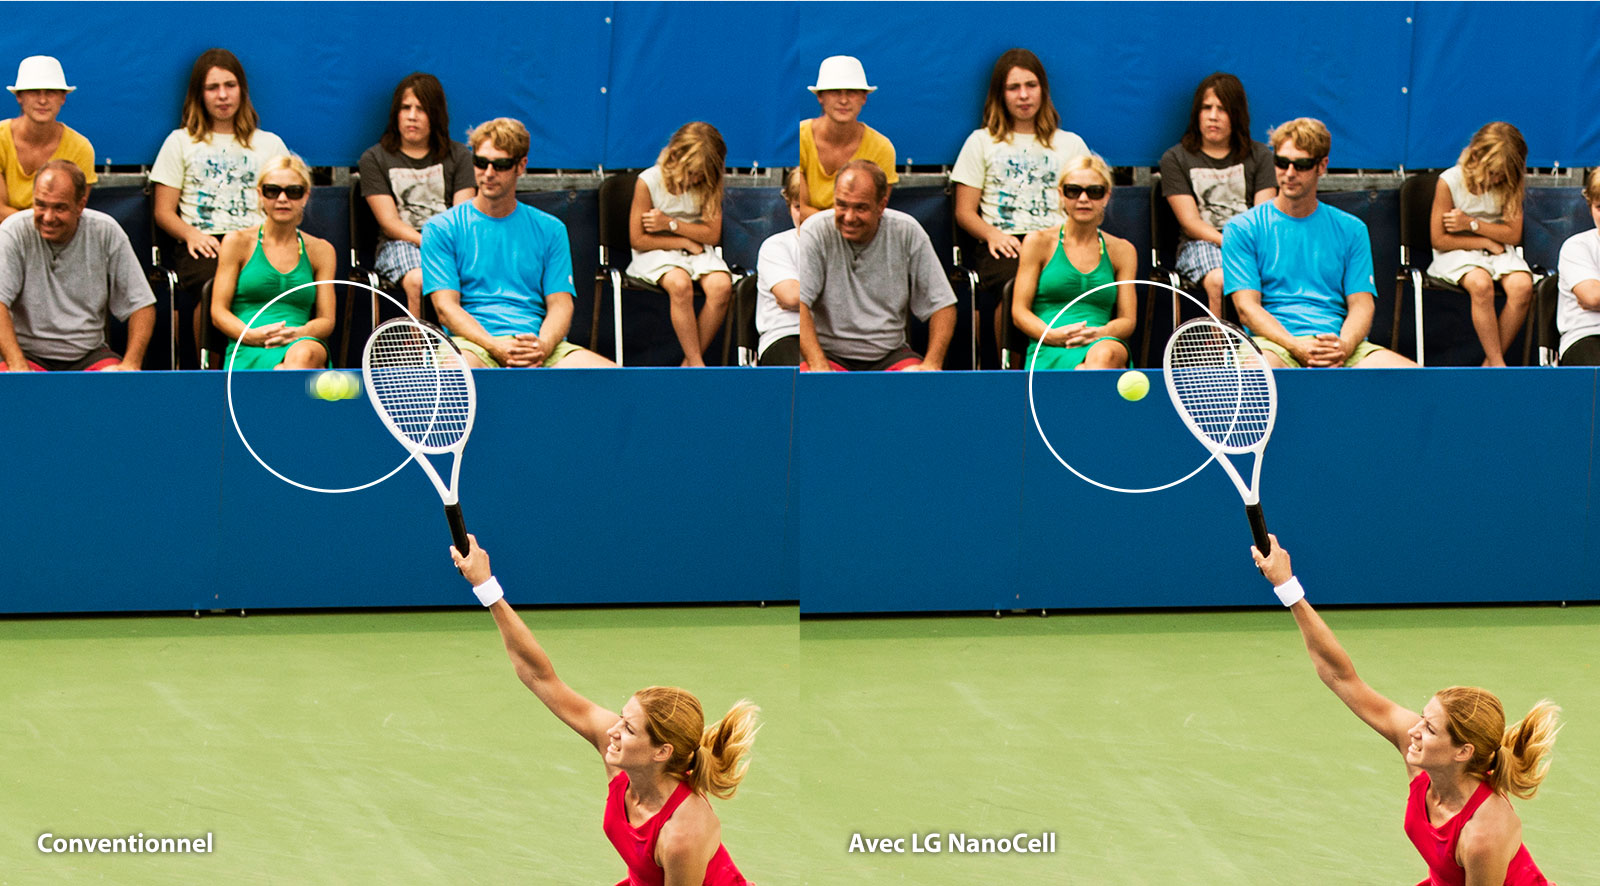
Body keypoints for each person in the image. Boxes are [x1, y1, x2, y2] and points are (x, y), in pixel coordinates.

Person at [450, 534, 758, 886]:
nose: (612, 730)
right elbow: (540, 677)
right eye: (622, 719)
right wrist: (486, 587)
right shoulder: (618, 756)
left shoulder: (683, 834)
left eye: (628, 728)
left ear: (662, 751)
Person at [1252, 535, 1561, 885]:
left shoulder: (1484, 834)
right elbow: (1342, 678)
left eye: (1430, 729)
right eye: (1423, 718)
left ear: (1464, 751)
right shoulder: (1420, 756)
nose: (1414, 730)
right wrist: (1287, 587)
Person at [1222, 118, 1415, 368]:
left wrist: (1343, 347)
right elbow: (1247, 308)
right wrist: (1295, 346)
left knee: (1412, 378)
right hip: (1273, 344)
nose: (1289, 173)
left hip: (1339, 345)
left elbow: (1362, 305)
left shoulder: (1352, 229)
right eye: (1282, 163)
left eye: (1301, 165)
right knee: (1258, 372)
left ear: (1322, 166)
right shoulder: (1241, 228)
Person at [421, 117, 612, 368]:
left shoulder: (551, 229)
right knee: (457, 372)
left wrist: (542, 347)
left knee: (610, 377)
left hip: (537, 345)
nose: (488, 173)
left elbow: (561, 305)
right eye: (481, 162)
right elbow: (446, 308)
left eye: (500, 165)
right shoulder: (440, 228)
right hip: (471, 344)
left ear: (521, 166)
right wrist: (494, 346)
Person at [150, 48, 290, 366]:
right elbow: (163, 211)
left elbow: (289, 201)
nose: (222, 95)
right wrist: (191, 235)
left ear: (242, 90)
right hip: (205, 243)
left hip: (260, 241)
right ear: (199, 95)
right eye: (213, 88)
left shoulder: (269, 144)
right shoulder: (180, 142)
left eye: (230, 85)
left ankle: (275, 366)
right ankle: (214, 373)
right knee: (214, 288)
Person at [951, 48, 1090, 360]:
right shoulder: (981, 142)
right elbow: (964, 211)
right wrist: (992, 235)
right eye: (1014, 88)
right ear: (1000, 94)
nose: (1023, 95)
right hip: (1006, 243)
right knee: (1015, 288)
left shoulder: (1070, 144)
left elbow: (1088, 202)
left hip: (1059, 241)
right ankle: (1014, 372)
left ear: (1043, 90)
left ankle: (1074, 365)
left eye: (1031, 86)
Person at [797, 160, 956, 372]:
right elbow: (800, 304)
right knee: (811, 384)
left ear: (881, 205)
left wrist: (932, 364)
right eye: (841, 205)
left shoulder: (907, 231)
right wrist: (819, 365)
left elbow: (943, 306)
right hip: (829, 354)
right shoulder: (815, 230)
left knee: (921, 389)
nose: (849, 217)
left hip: (891, 354)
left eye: (860, 208)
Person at [0, 161, 153, 371]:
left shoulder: (106, 231)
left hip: (89, 354)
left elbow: (142, 306)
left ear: (80, 205)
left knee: (119, 388)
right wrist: (17, 365)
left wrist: (131, 363)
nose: (48, 217)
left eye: (59, 208)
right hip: (27, 354)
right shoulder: (13, 231)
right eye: (40, 204)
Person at [1159, 72, 1276, 317]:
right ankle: (1218, 348)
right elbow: (1191, 224)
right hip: (1200, 243)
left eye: (1222, 109)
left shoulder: (1261, 156)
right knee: (1219, 278)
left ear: (1236, 115)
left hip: (1252, 243)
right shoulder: (1176, 158)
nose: (1213, 116)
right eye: (1206, 108)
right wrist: (1230, 243)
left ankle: (1261, 342)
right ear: (1197, 114)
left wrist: (1246, 246)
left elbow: (1264, 216)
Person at [359, 72, 475, 318]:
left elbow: (462, 216)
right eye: (405, 108)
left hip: (451, 243)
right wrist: (429, 243)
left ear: (435, 115)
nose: (412, 116)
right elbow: (390, 224)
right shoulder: (374, 158)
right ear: (396, 114)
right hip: (399, 244)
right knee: (418, 278)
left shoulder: (460, 156)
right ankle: (418, 347)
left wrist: (445, 246)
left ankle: (462, 341)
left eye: (421, 109)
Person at [1010, 155, 1137, 370]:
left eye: (1094, 192)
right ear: (1061, 194)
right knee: (1082, 370)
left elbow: (1128, 320)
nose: (1084, 199)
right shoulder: (1037, 242)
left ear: (1106, 196)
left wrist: (1101, 333)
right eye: (1073, 191)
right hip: (1049, 343)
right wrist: (1051, 336)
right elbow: (1019, 311)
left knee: (1104, 354)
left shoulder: (1123, 250)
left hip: (1102, 342)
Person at [209, 155, 334, 370]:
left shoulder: (322, 250)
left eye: (293, 192)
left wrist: (299, 333)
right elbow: (218, 312)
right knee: (282, 370)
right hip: (248, 343)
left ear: (305, 196)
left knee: (303, 355)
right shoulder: (236, 242)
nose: (283, 199)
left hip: (301, 342)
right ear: (260, 195)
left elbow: (327, 319)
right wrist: (250, 336)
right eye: (272, 191)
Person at [626, 121, 733, 367]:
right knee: (679, 282)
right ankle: (697, 364)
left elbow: (711, 234)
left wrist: (671, 223)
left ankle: (688, 363)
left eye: (701, 175)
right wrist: (683, 239)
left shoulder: (708, 182)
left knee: (721, 286)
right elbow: (638, 239)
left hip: (695, 251)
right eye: (692, 173)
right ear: (674, 156)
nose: (695, 179)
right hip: (655, 251)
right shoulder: (648, 181)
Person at [1427, 122, 1533, 367]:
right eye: (1493, 173)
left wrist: (1471, 223)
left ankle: (1489, 363)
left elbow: (1513, 234)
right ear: (1475, 156)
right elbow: (1439, 239)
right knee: (1480, 283)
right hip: (1456, 251)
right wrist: (1484, 239)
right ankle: (1497, 364)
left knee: (1522, 286)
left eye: (1502, 175)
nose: (1496, 179)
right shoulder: (1449, 181)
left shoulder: (1509, 182)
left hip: (1496, 251)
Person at [796, 55, 897, 222]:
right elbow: (799, 207)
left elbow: (875, 210)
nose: (843, 100)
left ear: (864, 98)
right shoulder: (799, 137)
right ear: (820, 97)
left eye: (852, 93)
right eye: (835, 92)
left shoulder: (882, 148)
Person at [1, 55, 97, 219]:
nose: (43, 100)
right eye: (34, 92)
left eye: (51, 93)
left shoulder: (81, 148)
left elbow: (73, 212)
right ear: (19, 97)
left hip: (56, 238)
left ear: (63, 98)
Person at [753, 168, 806, 366]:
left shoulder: (842, 244)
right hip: (785, 336)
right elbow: (791, 296)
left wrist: (801, 300)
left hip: (833, 338)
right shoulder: (775, 246)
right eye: (797, 207)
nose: (803, 215)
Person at [1556, 168, 1600, 366]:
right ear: (1590, 206)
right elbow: (1592, 296)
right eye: (1599, 208)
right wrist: (1594, 299)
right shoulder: (1576, 246)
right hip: (1586, 337)